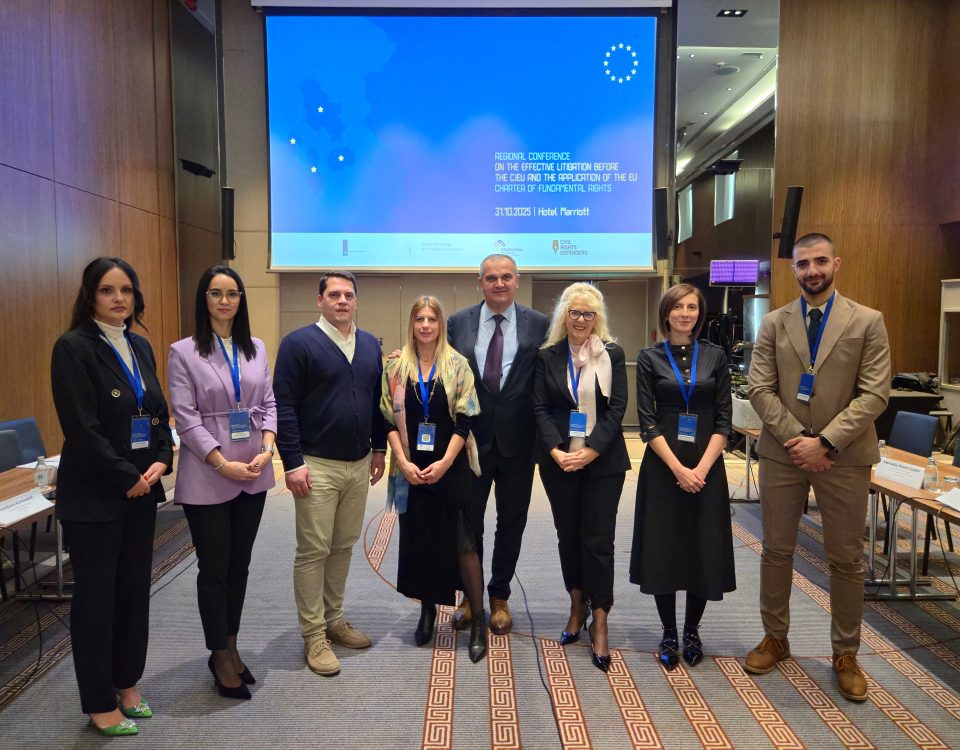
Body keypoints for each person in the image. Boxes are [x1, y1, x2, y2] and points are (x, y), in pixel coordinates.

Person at [746, 233, 890, 702]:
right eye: (803, 263)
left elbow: (875, 393)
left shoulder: (867, 320)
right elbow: (759, 388)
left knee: (846, 559)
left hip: (844, 456)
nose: (812, 270)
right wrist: (798, 440)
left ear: (836, 263)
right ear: (794, 269)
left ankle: (845, 654)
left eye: (820, 261)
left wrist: (825, 441)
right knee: (776, 550)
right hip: (783, 455)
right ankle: (776, 638)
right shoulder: (774, 322)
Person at [51, 257, 174, 736]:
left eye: (126, 290)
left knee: (133, 595)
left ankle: (127, 684)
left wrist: (161, 459)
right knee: (97, 602)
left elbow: (157, 413)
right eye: (107, 290)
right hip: (96, 497)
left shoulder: (139, 345)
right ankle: (99, 701)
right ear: (90, 296)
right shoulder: (73, 348)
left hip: (141, 492)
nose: (119, 298)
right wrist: (127, 476)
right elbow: (82, 429)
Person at [167, 266, 277, 700]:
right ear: (204, 299)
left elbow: (269, 402)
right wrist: (219, 462)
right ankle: (218, 653)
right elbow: (185, 417)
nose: (225, 301)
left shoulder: (256, 347)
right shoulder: (183, 352)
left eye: (232, 293)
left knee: (239, 565)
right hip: (208, 472)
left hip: (253, 468)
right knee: (214, 568)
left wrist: (267, 447)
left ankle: (231, 644)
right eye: (216, 293)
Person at [273, 270, 387, 677]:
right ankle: (313, 635)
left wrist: (379, 449)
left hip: (358, 464)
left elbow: (376, 402)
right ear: (319, 300)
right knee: (313, 550)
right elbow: (284, 406)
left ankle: (334, 619)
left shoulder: (370, 344)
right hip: (315, 465)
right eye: (334, 294)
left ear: (356, 301)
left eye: (348, 295)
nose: (342, 301)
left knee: (343, 546)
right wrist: (292, 462)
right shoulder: (298, 344)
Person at [629, 284, 736, 671]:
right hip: (664, 467)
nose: (685, 313)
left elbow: (724, 420)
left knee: (701, 546)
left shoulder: (715, 356)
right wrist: (678, 469)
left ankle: (692, 631)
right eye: (678, 307)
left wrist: (701, 469)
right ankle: (669, 632)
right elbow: (647, 421)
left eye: (692, 307)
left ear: (699, 314)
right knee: (665, 548)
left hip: (707, 466)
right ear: (666, 313)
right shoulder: (649, 358)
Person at [380, 297, 487, 662]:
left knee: (464, 545)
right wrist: (403, 461)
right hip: (410, 471)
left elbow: (465, 421)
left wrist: (444, 463)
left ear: (441, 324)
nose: (425, 325)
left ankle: (478, 619)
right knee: (420, 541)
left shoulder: (457, 365)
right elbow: (386, 420)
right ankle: (427, 611)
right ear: (411, 324)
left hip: (451, 468)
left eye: (432, 319)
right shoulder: (396, 367)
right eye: (419, 319)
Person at [447, 254, 549, 634]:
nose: (499, 283)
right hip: (470, 442)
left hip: (519, 442)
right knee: (468, 523)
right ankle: (469, 596)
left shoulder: (539, 323)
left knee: (511, 523)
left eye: (506, 276)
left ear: (517, 280)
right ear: (480, 283)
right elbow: (440, 364)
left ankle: (499, 595)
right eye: (491, 278)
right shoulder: (458, 322)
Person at [532, 283, 630, 673]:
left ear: (597, 317)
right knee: (568, 536)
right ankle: (576, 607)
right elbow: (539, 407)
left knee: (598, 541)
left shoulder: (612, 353)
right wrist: (556, 451)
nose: (581, 320)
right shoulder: (548, 355)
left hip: (603, 462)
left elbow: (618, 407)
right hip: (559, 460)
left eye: (588, 314)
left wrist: (593, 450)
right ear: (564, 316)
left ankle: (599, 619)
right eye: (574, 312)